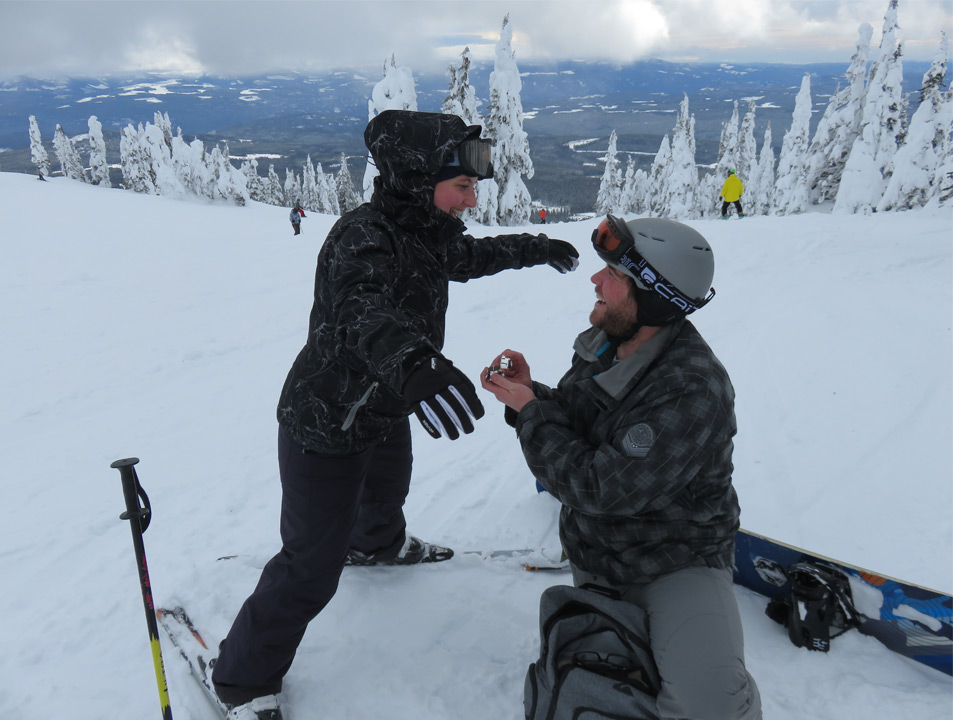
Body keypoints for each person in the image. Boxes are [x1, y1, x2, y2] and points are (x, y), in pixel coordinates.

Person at [210, 109, 580, 720]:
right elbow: (360, 309)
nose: (470, 198)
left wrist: (535, 247)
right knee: (309, 568)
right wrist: (414, 363)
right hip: (326, 421)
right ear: (416, 178)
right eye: (462, 186)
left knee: (388, 489)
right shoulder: (363, 237)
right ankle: (241, 680)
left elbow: (466, 258)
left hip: (384, 404)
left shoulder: (425, 230)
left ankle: (377, 545)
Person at [481, 215, 762, 720]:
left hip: (675, 561)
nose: (595, 280)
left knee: (708, 708)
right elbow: (579, 422)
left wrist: (531, 412)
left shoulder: (692, 388)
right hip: (598, 551)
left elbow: (598, 486)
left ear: (652, 297)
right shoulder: (608, 344)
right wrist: (530, 394)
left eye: (613, 274)